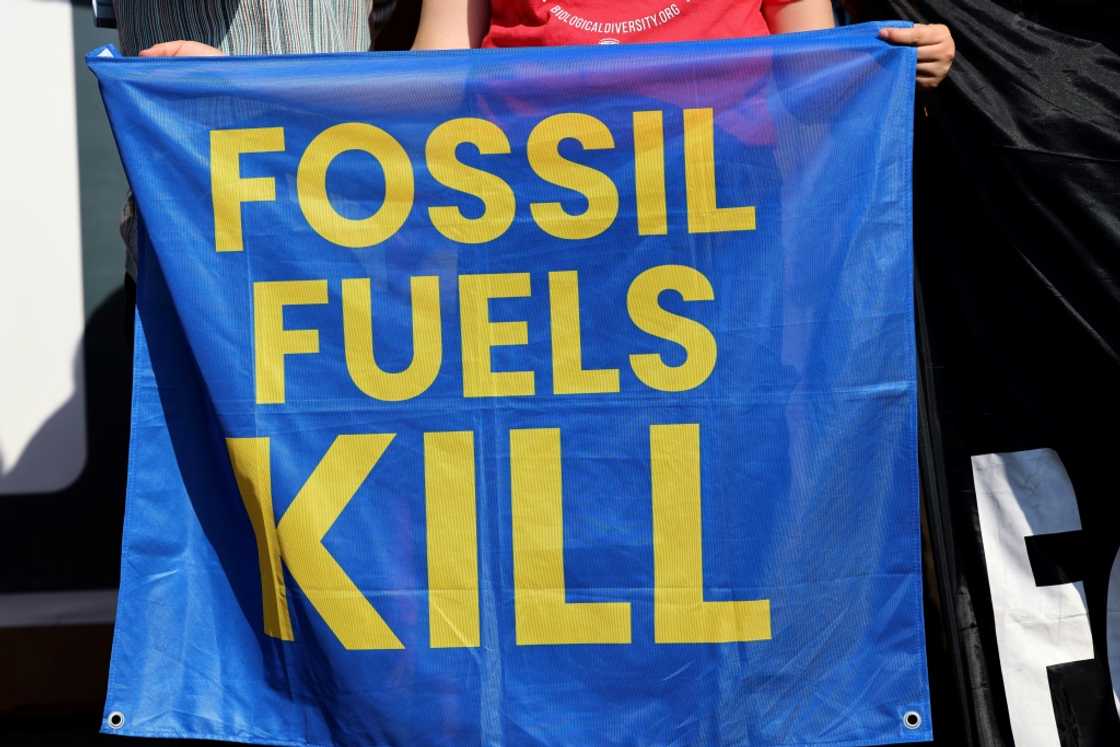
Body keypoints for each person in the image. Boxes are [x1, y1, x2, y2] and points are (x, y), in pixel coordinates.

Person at [411, 0, 954, 88]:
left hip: (721, 217)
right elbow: (430, 81)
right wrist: (328, 99)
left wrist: (892, 61)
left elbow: (816, 68)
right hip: (532, 219)